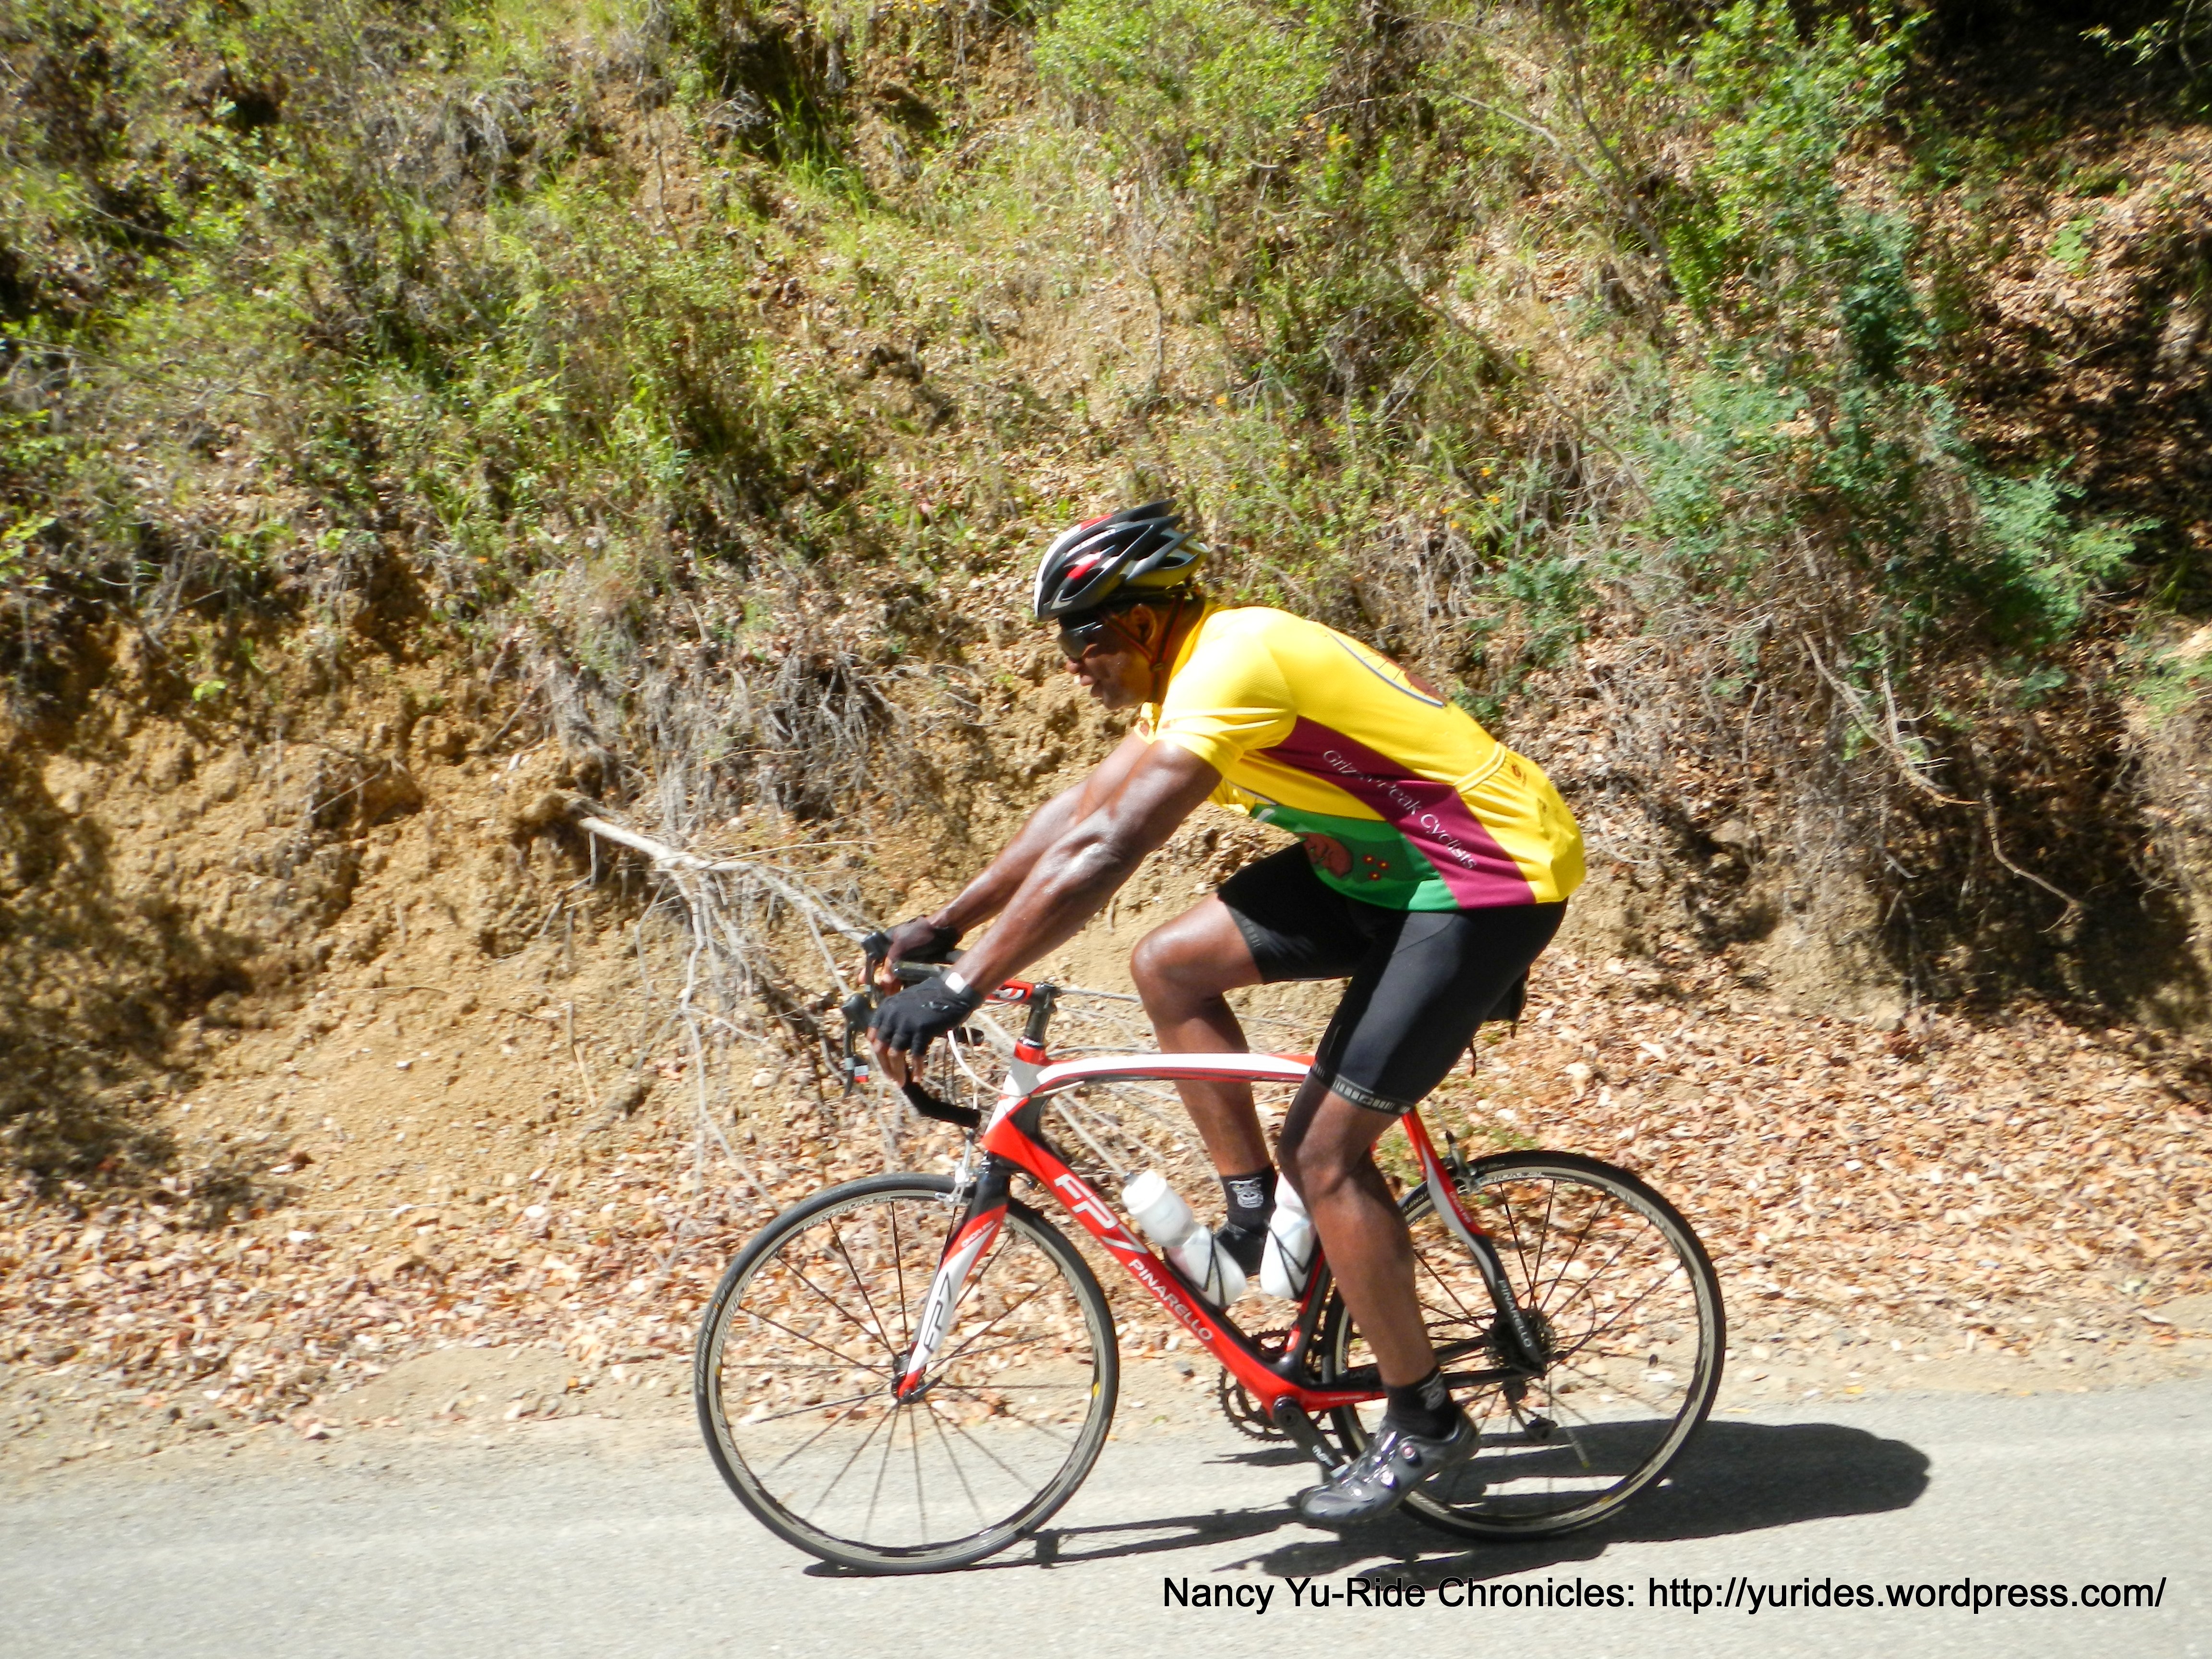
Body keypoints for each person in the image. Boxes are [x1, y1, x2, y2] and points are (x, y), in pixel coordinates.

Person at [868, 501, 1584, 1525]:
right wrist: (946, 926)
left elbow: (1109, 848)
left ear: (1145, 618)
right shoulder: (1187, 677)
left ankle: (1423, 1416)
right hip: (1382, 865)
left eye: (1085, 637)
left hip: (1484, 872)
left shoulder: (1232, 665)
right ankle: (1255, 1223)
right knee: (1169, 967)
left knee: (1326, 1155)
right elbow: (1077, 813)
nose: (1073, 663)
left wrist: (962, 987)